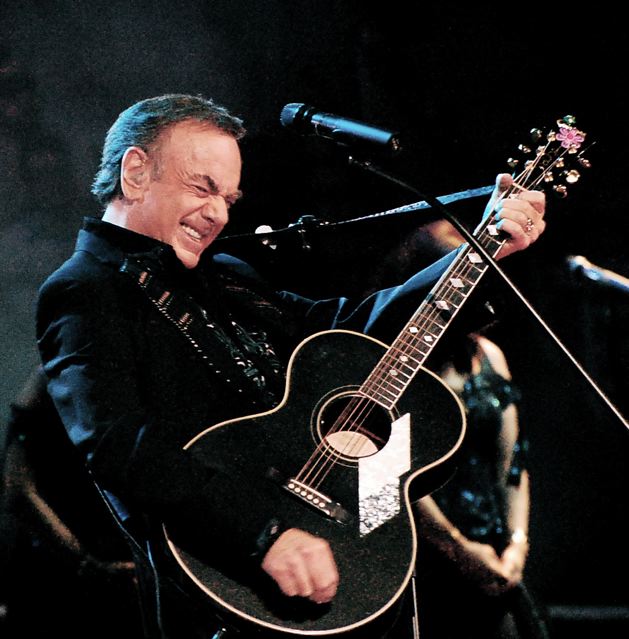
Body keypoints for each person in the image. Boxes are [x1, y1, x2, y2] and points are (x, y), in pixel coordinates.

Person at [35, 93, 546, 638]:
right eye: (202, 188)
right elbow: (118, 445)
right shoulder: (85, 289)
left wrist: (479, 255)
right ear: (136, 172)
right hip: (225, 591)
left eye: (228, 198)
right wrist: (264, 535)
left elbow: (346, 331)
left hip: (328, 565)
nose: (218, 214)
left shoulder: (224, 275)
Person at [401, 220, 549, 639]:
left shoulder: (489, 357)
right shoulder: (401, 363)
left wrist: (517, 543)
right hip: (423, 557)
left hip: (490, 549)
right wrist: (455, 548)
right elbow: (393, 474)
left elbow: (512, 466)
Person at [1, 366, 142, 638]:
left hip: (112, 583)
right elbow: (18, 491)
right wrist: (87, 564)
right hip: (52, 579)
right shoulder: (51, 379)